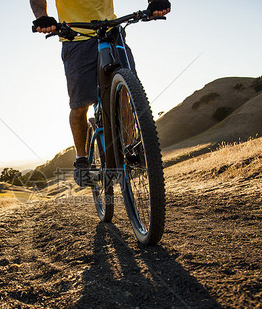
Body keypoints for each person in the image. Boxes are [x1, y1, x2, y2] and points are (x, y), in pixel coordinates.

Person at [30, 0, 171, 186]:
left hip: (112, 32)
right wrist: (43, 18)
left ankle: (130, 148)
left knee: (125, 90)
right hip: (75, 37)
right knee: (80, 106)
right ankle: (81, 160)